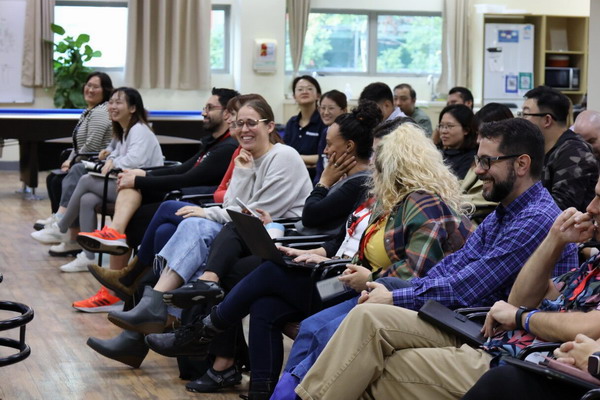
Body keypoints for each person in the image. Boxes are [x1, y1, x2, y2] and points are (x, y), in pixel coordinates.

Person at [145, 120, 475, 399]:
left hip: (364, 288)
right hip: (342, 277)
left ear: (398, 161)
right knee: (266, 303)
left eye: (378, 154)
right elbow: (341, 240)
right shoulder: (383, 199)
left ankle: (204, 332)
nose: (372, 160)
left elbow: (412, 272)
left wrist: (325, 186)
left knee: (271, 276)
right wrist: (315, 254)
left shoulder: (416, 203)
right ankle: (257, 387)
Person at [296, 178, 600, 400]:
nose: (590, 207)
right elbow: (521, 299)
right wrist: (554, 240)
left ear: (520, 164)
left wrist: (521, 317)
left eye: (488, 161)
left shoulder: (534, 215)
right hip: (495, 339)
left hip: (515, 358)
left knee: (367, 365)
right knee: (365, 319)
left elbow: (583, 323)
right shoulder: (589, 262)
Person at [86, 96, 313, 370]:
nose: (244, 129)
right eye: (239, 123)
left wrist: (207, 212)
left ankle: (146, 319)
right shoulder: (245, 157)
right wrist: (241, 174)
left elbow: (253, 214)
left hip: (273, 239)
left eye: (252, 123)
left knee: (191, 229)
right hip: (241, 234)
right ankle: (150, 318)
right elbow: (233, 207)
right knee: (174, 229)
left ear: (270, 126)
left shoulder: (283, 156)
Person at [69, 88, 239, 311]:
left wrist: (141, 179)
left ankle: (125, 284)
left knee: (145, 217)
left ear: (227, 114)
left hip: (197, 203)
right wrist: (142, 175)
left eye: (209, 108)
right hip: (187, 198)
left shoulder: (228, 148)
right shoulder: (214, 144)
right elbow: (183, 169)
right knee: (115, 193)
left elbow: (188, 178)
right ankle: (117, 273)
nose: (203, 112)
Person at [31, 87, 164, 276]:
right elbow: (116, 153)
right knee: (87, 199)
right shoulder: (124, 130)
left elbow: (134, 161)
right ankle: (88, 256)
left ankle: (61, 226)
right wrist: (111, 157)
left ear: (133, 108)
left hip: (141, 190)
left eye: (118, 102)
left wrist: (113, 161)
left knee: (86, 179)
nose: (112, 106)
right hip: (125, 185)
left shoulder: (139, 130)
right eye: (111, 102)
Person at [36, 71, 114, 257]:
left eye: (96, 87)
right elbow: (79, 144)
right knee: (54, 179)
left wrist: (73, 162)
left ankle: (62, 225)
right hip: (85, 159)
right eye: (88, 85)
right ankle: (66, 233)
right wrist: (69, 160)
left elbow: (91, 146)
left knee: (63, 179)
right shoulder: (90, 111)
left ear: (105, 90)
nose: (90, 89)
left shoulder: (100, 112)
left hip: (97, 163)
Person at [521, 86, 598, 212]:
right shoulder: (540, 149)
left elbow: (558, 210)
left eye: (525, 114)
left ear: (547, 120)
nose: (521, 120)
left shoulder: (574, 153)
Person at [460, 103, 514, 224]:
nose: (478, 140)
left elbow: (493, 198)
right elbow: (464, 185)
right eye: (477, 133)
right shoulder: (479, 157)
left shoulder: (507, 162)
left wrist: (450, 200)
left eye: (483, 134)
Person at [284, 75, 326, 178]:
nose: (304, 92)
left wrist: (296, 158)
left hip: (315, 177)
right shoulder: (291, 123)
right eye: (300, 89)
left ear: (318, 95)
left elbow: (324, 157)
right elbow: (284, 153)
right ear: (294, 96)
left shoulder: (324, 122)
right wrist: (308, 160)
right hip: (291, 175)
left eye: (309, 89)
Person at [313, 90, 348, 184]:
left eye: (331, 108)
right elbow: (320, 166)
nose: (326, 112)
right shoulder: (325, 132)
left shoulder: (349, 133)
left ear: (344, 110)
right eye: (322, 108)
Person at [438, 104, 478, 179]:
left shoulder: (472, 158)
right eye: (441, 126)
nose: (443, 131)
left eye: (450, 126)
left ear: (466, 130)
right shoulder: (438, 153)